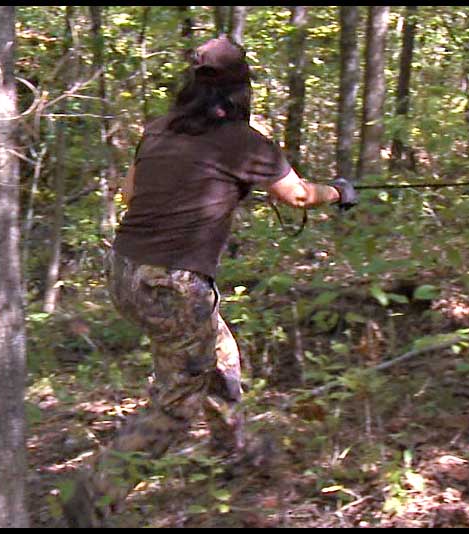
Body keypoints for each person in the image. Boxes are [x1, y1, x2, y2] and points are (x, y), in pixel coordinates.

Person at [63, 36, 357, 527]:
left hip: (125, 271)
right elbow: (300, 196)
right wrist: (340, 191)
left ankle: (232, 452)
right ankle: (92, 499)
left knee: (221, 356)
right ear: (242, 90)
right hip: (173, 283)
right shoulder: (245, 142)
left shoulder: (157, 131)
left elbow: (132, 191)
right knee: (178, 400)